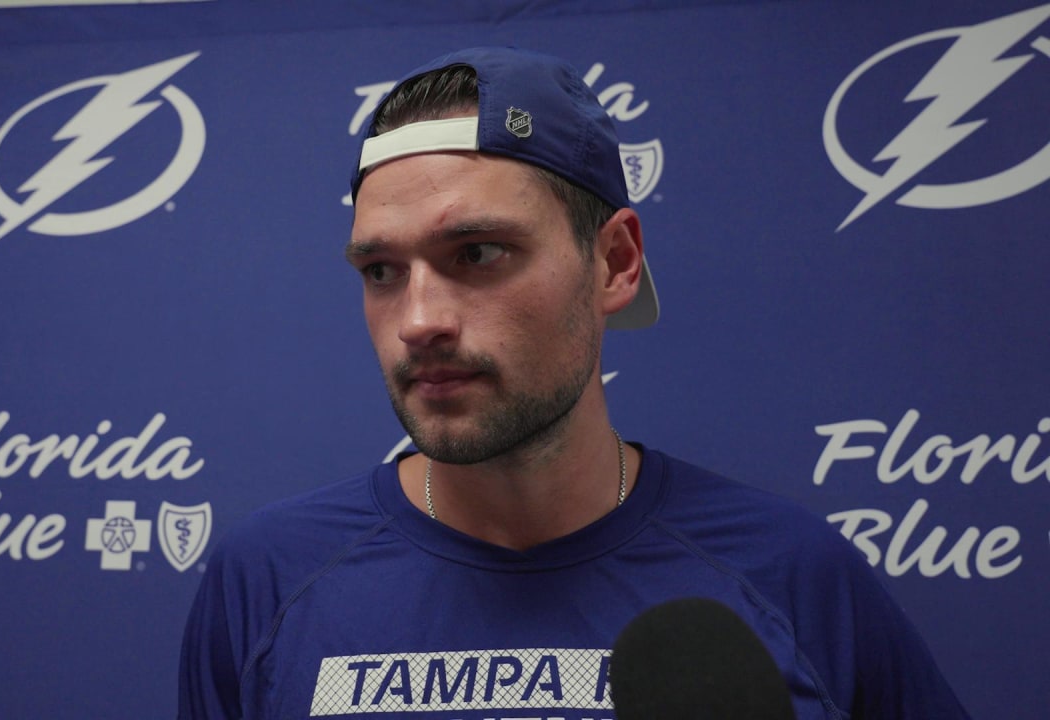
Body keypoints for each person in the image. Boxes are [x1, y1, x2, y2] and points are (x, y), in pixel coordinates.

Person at [178, 47, 970, 719]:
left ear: (615, 263)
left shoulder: (790, 574)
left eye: (478, 253)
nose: (418, 320)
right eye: (382, 269)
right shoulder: (269, 576)